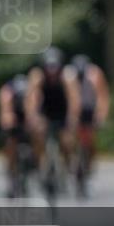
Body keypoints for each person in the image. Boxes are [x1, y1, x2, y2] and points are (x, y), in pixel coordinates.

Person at [26, 46, 82, 194]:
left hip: (63, 111)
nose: (52, 71)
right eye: (48, 67)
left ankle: (68, 164)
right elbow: (32, 99)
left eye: (54, 67)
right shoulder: (37, 76)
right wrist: (34, 117)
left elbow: (74, 100)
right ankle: (40, 165)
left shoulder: (68, 76)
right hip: (45, 111)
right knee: (38, 135)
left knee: (67, 141)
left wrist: (72, 118)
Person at [70, 54, 111, 197]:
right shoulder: (69, 76)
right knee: (70, 139)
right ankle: (72, 162)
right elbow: (69, 100)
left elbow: (102, 97)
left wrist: (100, 116)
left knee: (90, 141)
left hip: (90, 110)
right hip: (75, 110)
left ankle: (88, 167)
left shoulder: (95, 74)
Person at [0, 74, 31, 197]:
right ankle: (11, 178)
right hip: (12, 117)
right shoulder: (7, 92)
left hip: (24, 117)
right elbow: (5, 111)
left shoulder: (30, 92)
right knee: (10, 144)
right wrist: (7, 121)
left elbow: (32, 110)